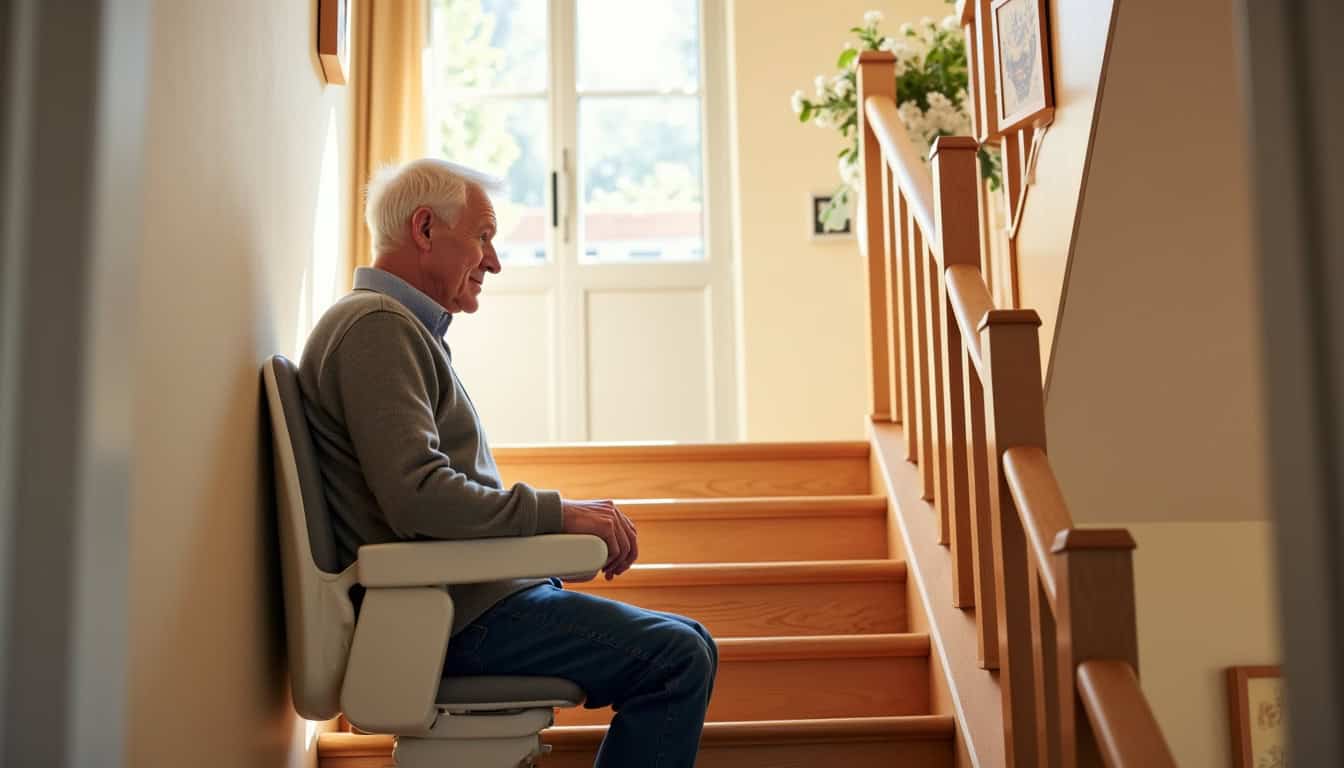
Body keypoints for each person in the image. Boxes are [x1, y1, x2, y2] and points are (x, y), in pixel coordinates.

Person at [298, 158, 716, 766]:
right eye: (484, 237)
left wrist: (548, 533)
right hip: (446, 618)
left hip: (459, 603)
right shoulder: (377, 329)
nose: (493, 262)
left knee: (691, 642)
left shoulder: (395, 329)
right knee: (676, 657)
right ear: (424, 229)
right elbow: (419, 496)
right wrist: (559, 516)